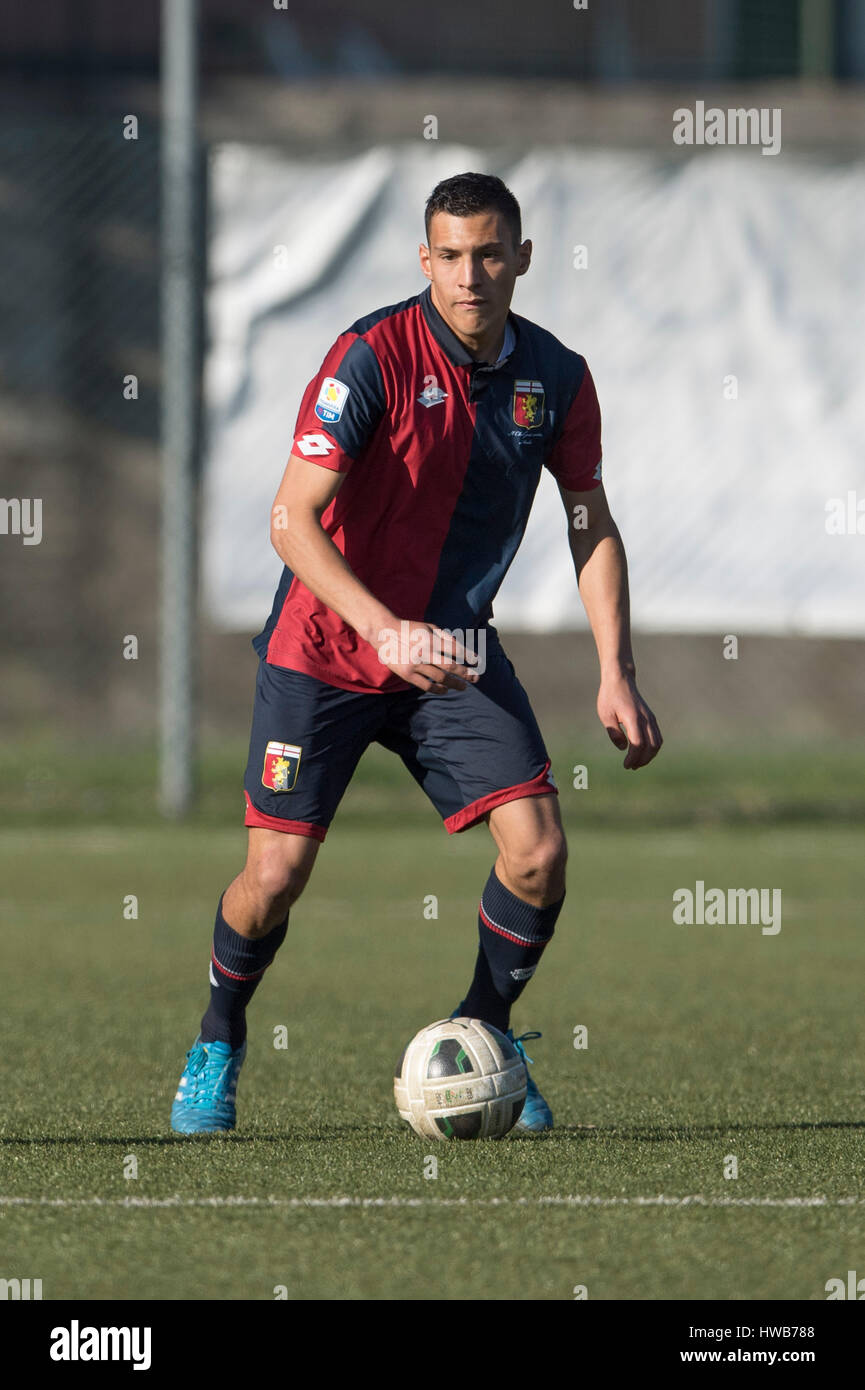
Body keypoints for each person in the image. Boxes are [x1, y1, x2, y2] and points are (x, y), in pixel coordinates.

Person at [171, 171, 662, 1136]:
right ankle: (219, 1040)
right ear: (423, 260)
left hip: (453, 651)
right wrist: (381, 627)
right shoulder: (369, 355)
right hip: (326, 646)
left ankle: (482, 1035)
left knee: (539, 854)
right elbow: (291, 519)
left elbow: (588, 522)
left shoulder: (555, 377)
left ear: (520, 258)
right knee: (272, 878)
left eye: (487, 254)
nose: (468, 275)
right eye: (448, 255)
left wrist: (617, 670)